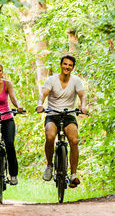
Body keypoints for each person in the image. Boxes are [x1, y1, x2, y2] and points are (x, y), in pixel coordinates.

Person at [36, 54, 88, 187]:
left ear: (73, 68)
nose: (67, 67)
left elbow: (82, 96)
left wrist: (83, 106)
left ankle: (73, 175)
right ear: (61, 65)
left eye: (70, 65)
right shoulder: (51, 80)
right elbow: (43, 93)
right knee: (50, 136)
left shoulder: (76, 81)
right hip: (53, 114)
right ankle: (49, 166)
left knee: (74, 140)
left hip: (68, 115)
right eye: (65, 64)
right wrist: (40, 104)